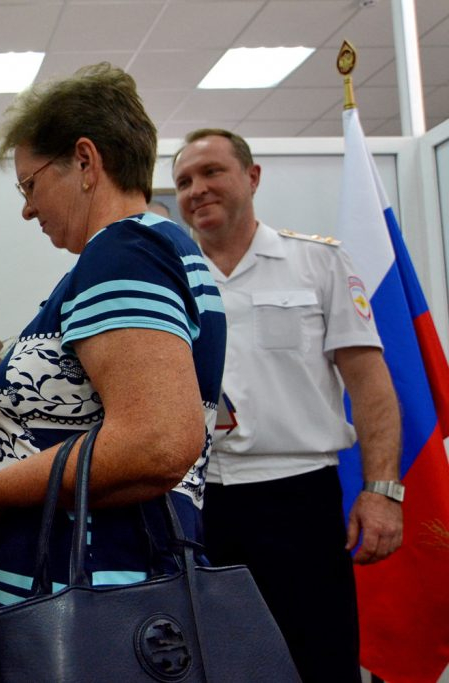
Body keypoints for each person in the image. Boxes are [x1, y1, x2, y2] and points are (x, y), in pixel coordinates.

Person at [0, 63, 227, 613]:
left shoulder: (123, 253)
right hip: (92, 583)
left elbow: (155, 442)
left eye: (30, 184)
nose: (27, 208)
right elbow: (108, 407)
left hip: (99, 589)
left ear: (84, 161)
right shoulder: (142, 249)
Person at [170, 128, 403, 683]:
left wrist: (382, 491)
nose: (197, 189)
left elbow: (370, 385)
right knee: (214, 666)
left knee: (318, 661)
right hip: (198, 504)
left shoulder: (317, 262)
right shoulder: (169, 277)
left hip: (298, 499)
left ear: (252, 177)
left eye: (212, 172)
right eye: (183, 181)